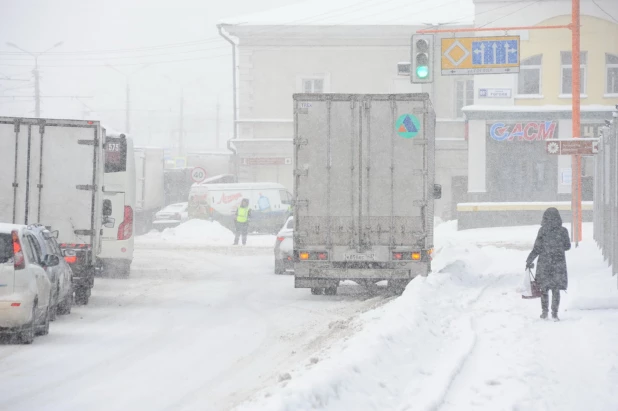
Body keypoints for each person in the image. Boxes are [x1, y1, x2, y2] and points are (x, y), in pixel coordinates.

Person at [526, 207, 571, 321]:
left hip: (544, 263)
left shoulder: (543, 230)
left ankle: (544, 312)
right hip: (558, 262)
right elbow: (567, 246)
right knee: (555, 289)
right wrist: (557, 247)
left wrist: (529, 259)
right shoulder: (563, 231)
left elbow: (537, 248)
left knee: (544, 289)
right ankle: (555, 314)